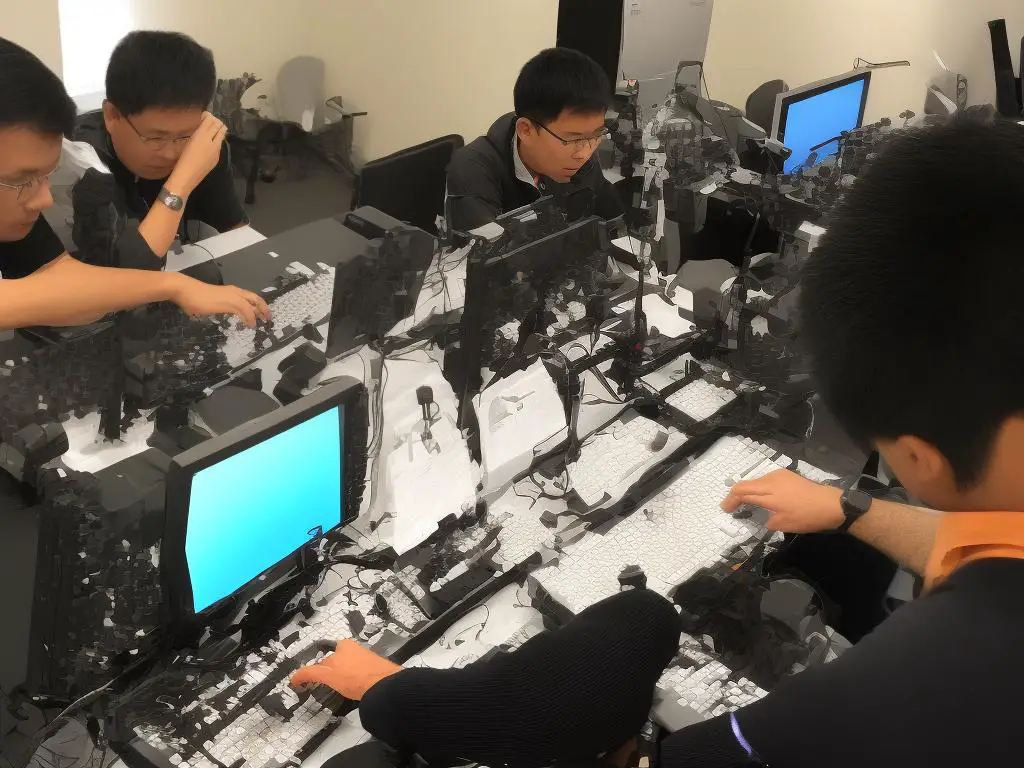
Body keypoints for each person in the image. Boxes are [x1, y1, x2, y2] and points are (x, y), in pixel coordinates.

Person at [292, 118, 1024, 768]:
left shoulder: (906, 695)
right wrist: (851, 510)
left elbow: (565, 721)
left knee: (639, 620)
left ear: (917, 456)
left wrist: (398, 695)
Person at [0, 36, 268, 330]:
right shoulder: (88, 168)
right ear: (112, 116)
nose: (44, 199)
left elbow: (58, 279)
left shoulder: (41, 165)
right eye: (19, 181)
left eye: (46, 176)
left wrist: (174, 285)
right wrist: (183, 179)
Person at [72, 30, 247, 270]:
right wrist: (181, 182)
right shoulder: (79, 163)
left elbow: (236, 233)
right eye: (155, 137)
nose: (170, 154)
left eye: (184, 136)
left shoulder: (203, 144)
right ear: (112, 116)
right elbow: (124, 277)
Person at [445, 47, 624, 232]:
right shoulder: (472, 170)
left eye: (595, 135)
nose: (585, 154)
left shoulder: (581, 149)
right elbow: (481, 252)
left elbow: (609, 216)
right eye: (572, 140)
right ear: (526, 130)